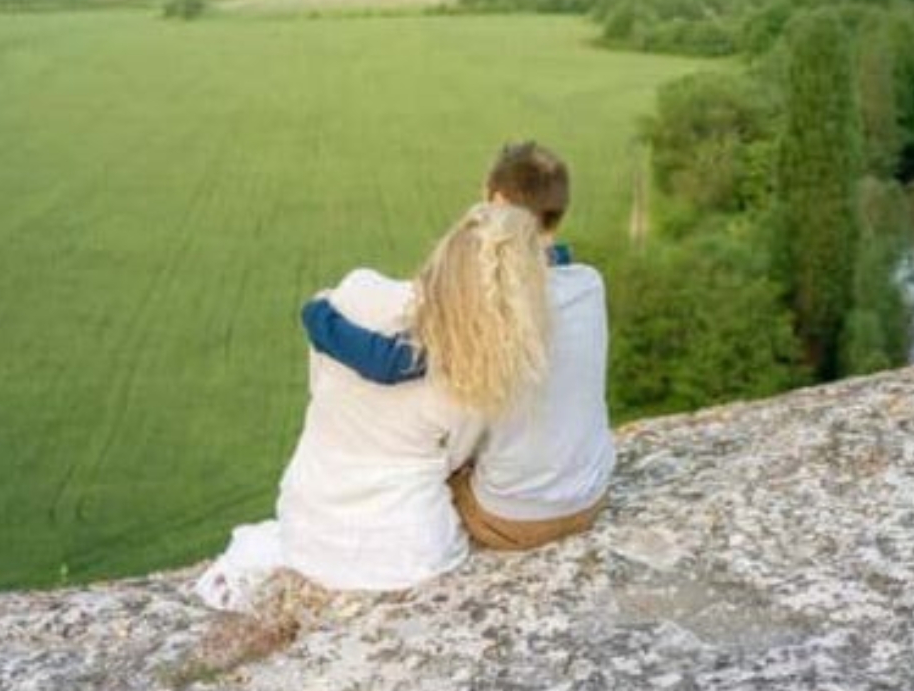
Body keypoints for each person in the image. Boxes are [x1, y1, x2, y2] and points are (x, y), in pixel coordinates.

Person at [195, 201, 550, 611]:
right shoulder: (480, 377)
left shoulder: (358, 291)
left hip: (310, 529)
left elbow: (320, 384)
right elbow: (452, 460)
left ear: (446, 254)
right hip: (409, 553)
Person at [301, 142, 613, 551]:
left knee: (426, 457)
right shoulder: (589, 281)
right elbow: (553, 267)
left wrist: (317, 315)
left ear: (496, 200)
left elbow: (392, 364)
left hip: (512, 519)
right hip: (591, 497)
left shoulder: (493, 302)